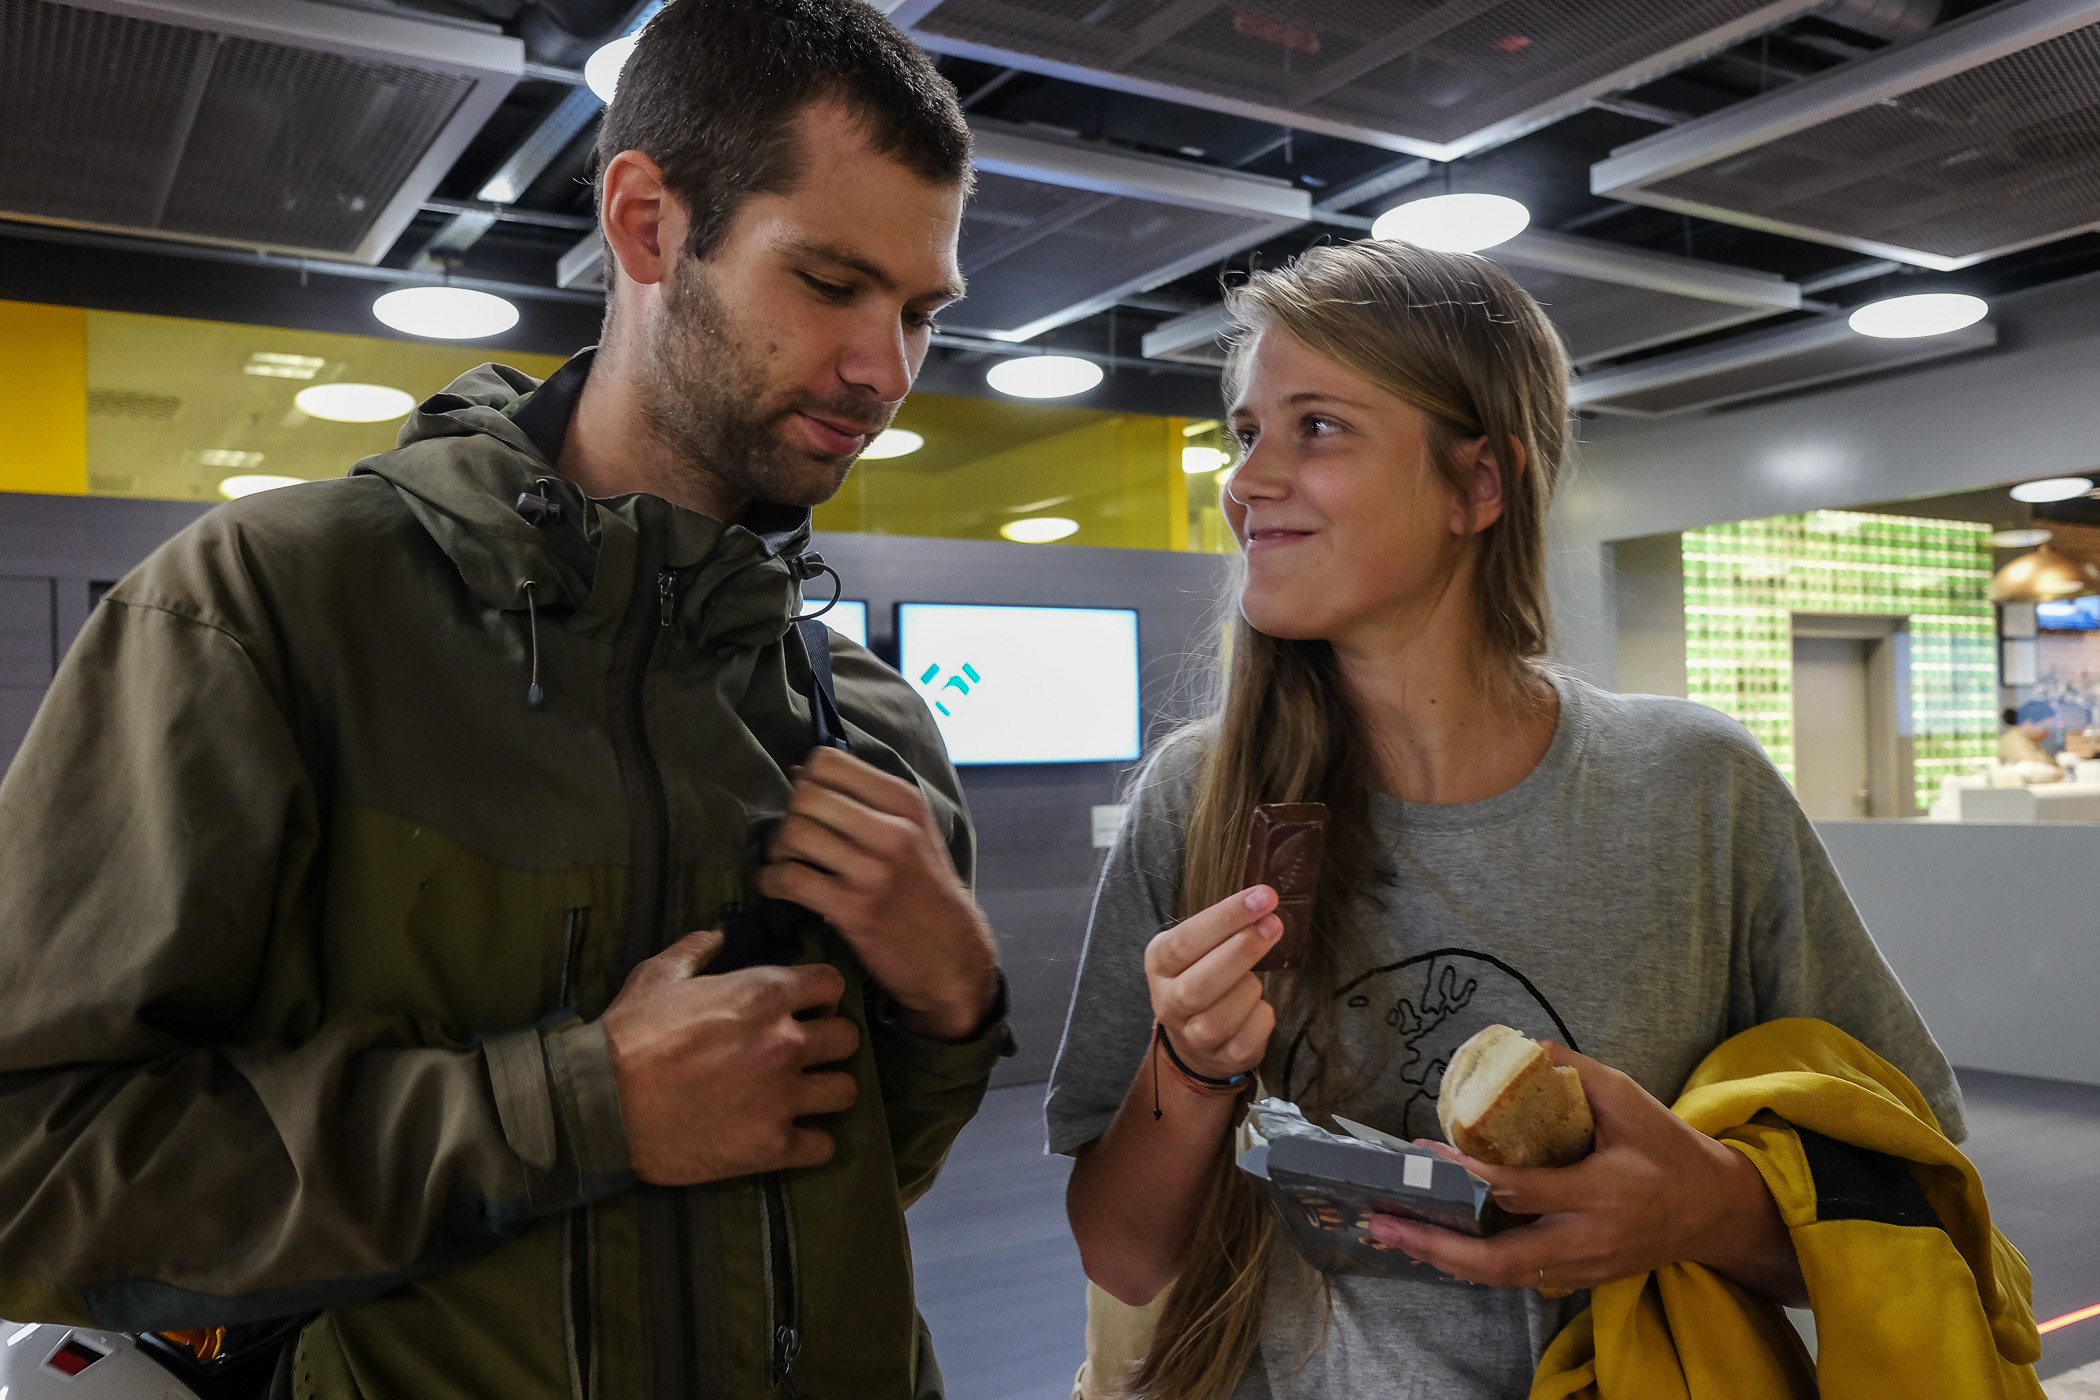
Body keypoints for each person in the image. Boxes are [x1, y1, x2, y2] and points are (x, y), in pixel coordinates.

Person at [0, 2, 1010, 1397]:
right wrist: (576, 1107)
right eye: (831, 283)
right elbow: (30, 1163)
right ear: (649, 224)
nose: (885, 371)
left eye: (919, 312)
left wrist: (955, 1007)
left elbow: (849, 1189)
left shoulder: (872, 723)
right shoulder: (277, 613)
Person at [1046, 240, 1966, 1399]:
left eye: (1317, 425)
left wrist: (1697, 1204)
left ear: (1477, 484)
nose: (1246, 479)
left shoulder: (1694, 789)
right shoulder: (1197, 801)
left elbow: (1914, 1195)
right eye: (1246, 432)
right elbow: (1122, 1252)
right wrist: (1190, 1063)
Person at [1998, 701, 2058, 768]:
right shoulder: (2013, 743)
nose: (2048, 733)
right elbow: (2035, 771)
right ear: (2028, 722)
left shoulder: (2030, 741)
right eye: (2046, 728)